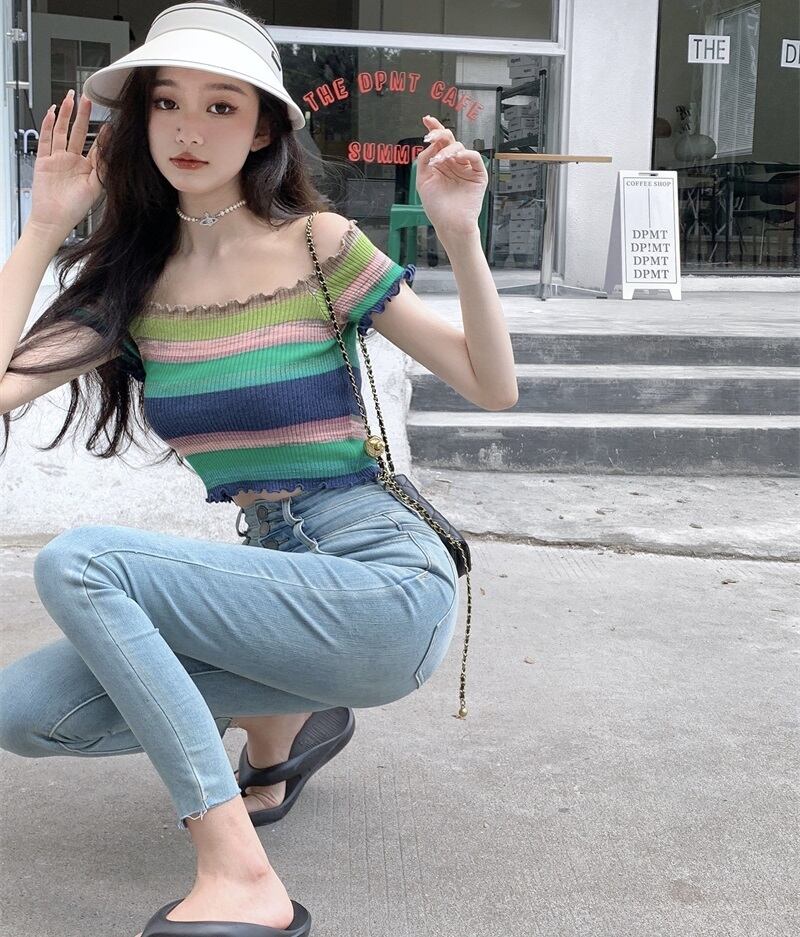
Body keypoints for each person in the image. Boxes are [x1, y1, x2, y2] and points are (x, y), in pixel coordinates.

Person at [0, 2, 517, 934]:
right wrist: (42, 228)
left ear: (266, 129)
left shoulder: (318, 245)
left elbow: (492, 383)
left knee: (81, 562)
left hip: (381, 581)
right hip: (272, 574)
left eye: (222, 106)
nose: (189, 130)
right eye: (167, 103)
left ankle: (238, 870)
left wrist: (461, 236)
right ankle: (280, 723)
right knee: (25, 711)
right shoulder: (132, 285)